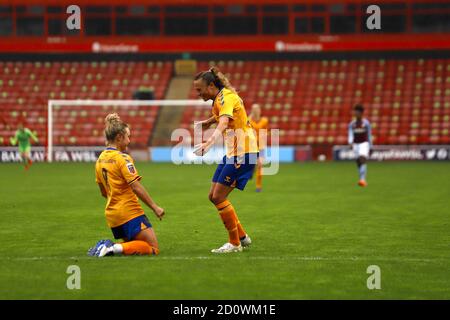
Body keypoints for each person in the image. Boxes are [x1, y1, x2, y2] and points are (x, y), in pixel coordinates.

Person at [193, 67, 258, 253]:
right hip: (233, 153)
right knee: (212, 196)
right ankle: (242, 237)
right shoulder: (219, 99)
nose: (198, 94)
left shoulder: (226, 97)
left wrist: (210, 141)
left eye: (199, 90)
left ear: (212, 86)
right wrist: (207, 122)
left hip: (243, 153)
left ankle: (235, 243)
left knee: (219, 196)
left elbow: (223, 121)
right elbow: (221, 116)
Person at [88, 113, 165, 257]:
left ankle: (109, 248)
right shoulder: (122, 158)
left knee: (131, 247)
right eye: (128, 137)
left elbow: (103, 192)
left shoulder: (100, 159)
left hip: (113, 215)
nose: (129, 141)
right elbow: (135, 186)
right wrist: (155, 207)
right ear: (118, 137)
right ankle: (110, 248)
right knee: (153, 248)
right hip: (129, 212)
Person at [348, 104, 372, 187]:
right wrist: (350, 142)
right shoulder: (352, 124)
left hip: (364, 143)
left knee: (362, 159)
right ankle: (361, 178)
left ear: (361, 113)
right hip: (356, 144)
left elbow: (369, 135)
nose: (355, 113)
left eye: (357, 112)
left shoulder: (366, 123)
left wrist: (371, 146)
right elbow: (350, 134)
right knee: (358, 162)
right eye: (355, 112)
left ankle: (362, 179)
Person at [249, 103, 269, 192]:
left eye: (257, 109)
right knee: (251, 166)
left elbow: (266, 132)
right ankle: (251, 171)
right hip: (251, 147)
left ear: (260, 111)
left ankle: (258, 186)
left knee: (260, 165)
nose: (256, 111)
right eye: (254, 109)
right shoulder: (248, 120)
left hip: (260, 147)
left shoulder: (264, 121)